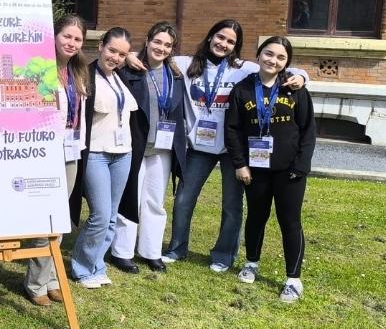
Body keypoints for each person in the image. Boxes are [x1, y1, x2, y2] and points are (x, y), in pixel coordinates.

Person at [131, 19, 307, 272]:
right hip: (198, 148)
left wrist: (302, 76)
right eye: (220, 37)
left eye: (230, 41)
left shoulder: (243, 69)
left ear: (237, 46)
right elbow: (154, 55)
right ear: (210, 36)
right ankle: (177, 248)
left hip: (231, 151)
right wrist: (129, 56)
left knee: (231, 206)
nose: (223, 44)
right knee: (183, 200)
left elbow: (280, 66)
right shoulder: (185, 64)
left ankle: (223, 255)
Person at [225, 36, 316, 302]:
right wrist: (240, 164)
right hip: (256, 169)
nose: (273, 60)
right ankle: (251, 263)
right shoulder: (242, 89)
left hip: (289, 171)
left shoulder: (295, 88)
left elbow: (308, 130)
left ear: (287, 62)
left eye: (280, 57)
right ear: (258, 54)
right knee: (256, 217)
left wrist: (301, 166)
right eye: (268, 53)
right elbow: (232, 129)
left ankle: (293, 279)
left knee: (290, 221)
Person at [110, 21, 186, 273]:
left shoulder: (175, 76)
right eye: (157, 42)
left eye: (167, 45)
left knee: (154, 202)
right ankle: (122, 252)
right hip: (134, 146)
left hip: (162, 149)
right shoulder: (130, 70)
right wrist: (128, 56)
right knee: (129, 198)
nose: (161, 48)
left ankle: (151, 251)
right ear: (147, 41)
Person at [23, 14, 89, 306]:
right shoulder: (38, 70)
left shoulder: (78, 71)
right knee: (45, 217)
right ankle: (35, 283)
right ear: (54, 36)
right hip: (44, 152)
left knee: (60, 217)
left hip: (70, 151)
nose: (72, 43)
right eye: (67, 36)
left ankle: (50, 279)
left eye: (78, 39)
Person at [71, 27, 137, 289]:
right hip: (96, 154)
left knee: (111, 216)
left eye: (122, 54)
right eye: (112, 50)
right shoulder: (84, 76)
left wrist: (133, 58)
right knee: (99, 214)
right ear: (100, 46)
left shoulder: (123, 78)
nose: (115, 58)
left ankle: (97, 264)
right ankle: (81, 267)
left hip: (123, 154)